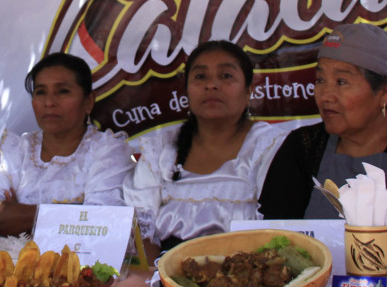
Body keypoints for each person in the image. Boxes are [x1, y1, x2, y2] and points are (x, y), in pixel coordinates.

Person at [260, 23, 387, 256]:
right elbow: (276, 241)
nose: (325, 95)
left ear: (386, 91)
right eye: (320, 80)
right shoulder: (303, 145)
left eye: (341, 82)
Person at [123, 40, 287, 250]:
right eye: (200, 76)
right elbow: (139, 231)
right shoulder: (161, 149)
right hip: (163, 268)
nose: (211, 85)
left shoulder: (270, 146)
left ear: (248, 91)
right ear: (186, 91)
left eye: (226, 76)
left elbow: (277, 230)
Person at [0, 53, 134, 235]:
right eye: (41, 92)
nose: (49, 102)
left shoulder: (108, 152)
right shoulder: (16, 150)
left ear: (88, 102)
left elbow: (98, 224)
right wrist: (76, 212)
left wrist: (17, 212)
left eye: (63, 91)